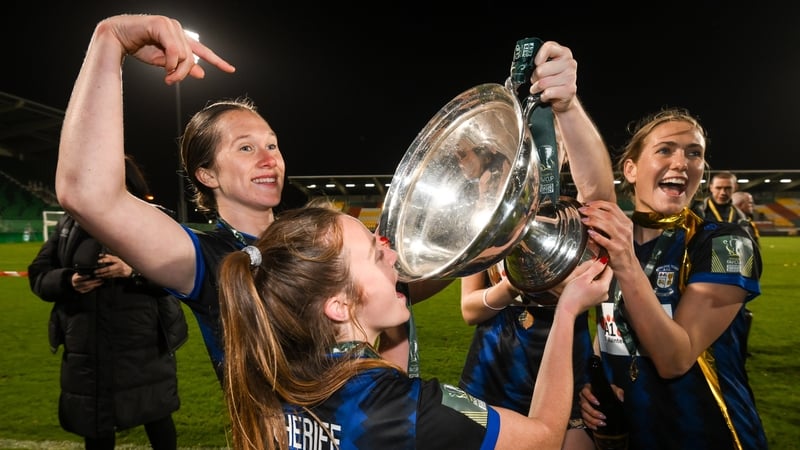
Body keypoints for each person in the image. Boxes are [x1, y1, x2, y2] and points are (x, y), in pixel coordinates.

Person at [52, 14, 587, 383]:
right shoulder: (205, 258)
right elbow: (86, 191)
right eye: (246, 148)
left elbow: (402, 280)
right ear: (206, 174)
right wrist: (109, 41)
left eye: (273, 145)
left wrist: (477, 240)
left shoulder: (320, 233)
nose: (270, 158)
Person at [217, 206, 613, 450]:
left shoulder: (285, 374)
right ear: (338, 306)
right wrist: (567, 309)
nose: (391, 254)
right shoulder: (419, 408)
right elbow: (542, 438)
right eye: (376, 255)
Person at [578, 108, 768, 449]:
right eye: (665, 149)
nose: (682, 162)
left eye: (694, 153)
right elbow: (611, 318)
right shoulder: (616, 238)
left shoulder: (728, 244)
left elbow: (674, 359)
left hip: (707, 432)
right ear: (631, 169)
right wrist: (595, 376)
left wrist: (625, 262)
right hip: (634, 432)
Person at [458, 44, 616, 449]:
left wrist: (566, 105)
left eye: (557, 149)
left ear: (564, 158)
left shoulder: (575, 220)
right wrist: (512, 284)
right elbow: (468, 309)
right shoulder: (487, 220)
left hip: (566, 365)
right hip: (493, 369)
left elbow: (601, 193)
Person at [28, 155, 188, 450]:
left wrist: (133, 270)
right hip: (86, 345)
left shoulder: (154, 216)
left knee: (156, 415)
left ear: (128, 180)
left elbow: (180, 275)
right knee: (96, 423)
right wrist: (68, 281)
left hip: (142, 345)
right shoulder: (71, 222)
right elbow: (38, 274)